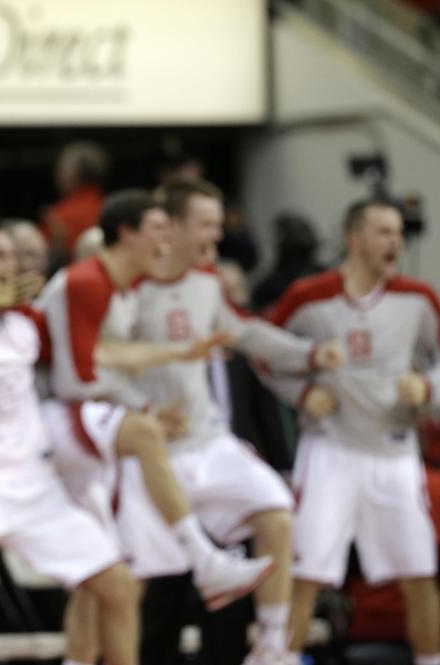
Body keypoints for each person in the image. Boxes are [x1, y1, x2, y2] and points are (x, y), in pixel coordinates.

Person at [37, 190, 275, 665]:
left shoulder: (123, 285)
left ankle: (80, 659)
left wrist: (176, 354)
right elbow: (78, 377)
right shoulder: (86, 281)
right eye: (158, 229)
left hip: (88, 418)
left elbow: (110, 355)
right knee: (145, 440)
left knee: (104, 566)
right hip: (53, 415)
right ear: (127, 233)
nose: (168, 239)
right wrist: (147, 410)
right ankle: (205, 561)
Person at [123, 180, 343, 665]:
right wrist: (140, 410)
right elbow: (96, 362)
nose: (217, 235)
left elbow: (244, 332)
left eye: (218, 224)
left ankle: (269, 646)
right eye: (206, 224)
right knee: (130, 587)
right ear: (173, 226)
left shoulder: (207, 283)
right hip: (152, 452)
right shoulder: (129, 287)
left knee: (277, 513)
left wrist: (306, 353)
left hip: (208, 440)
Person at [0, 221, 141, 665]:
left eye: (14, 255)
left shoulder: (28, 322)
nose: (11, 265)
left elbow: (82, 348)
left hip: (32, 477)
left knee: (117, 584)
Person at [265, 198, 440, 665]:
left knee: (420, 575)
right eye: (385, 232)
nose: (396, 243)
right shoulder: (309, 295)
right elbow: (264, 351)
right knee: (305, 574)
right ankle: (281, 659)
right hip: (331, 450)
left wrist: (427, 385)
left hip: (395, 452)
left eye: (400, 233)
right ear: (354, 238)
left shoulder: (418, 298)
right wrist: (301, 393)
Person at [40, 141, 108, 265]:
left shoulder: (58, 216)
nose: (58, 175)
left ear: (75, 174)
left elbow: (42, 258)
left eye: (62, 169)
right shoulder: (109, 207)